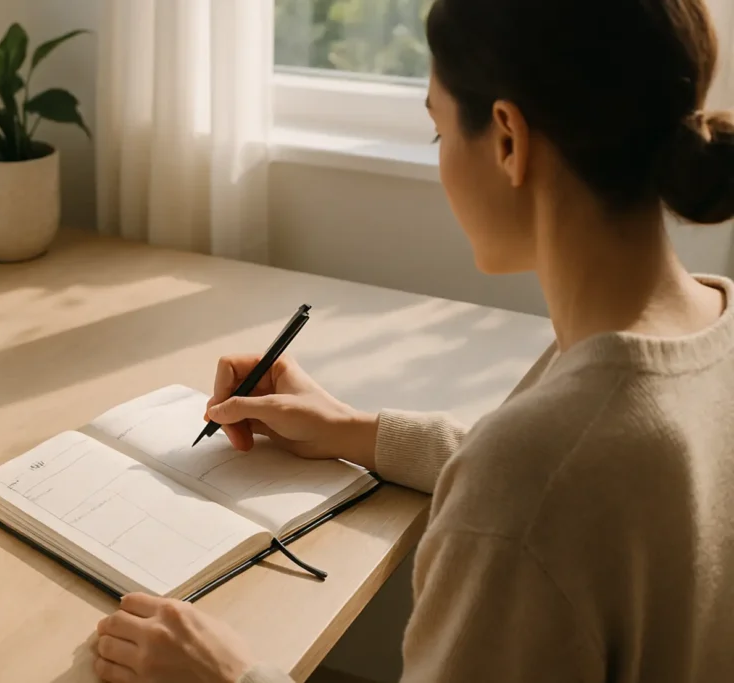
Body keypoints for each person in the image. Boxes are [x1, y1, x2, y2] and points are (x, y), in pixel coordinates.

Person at [92, 0, 734, 680]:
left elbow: (538, 489)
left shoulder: (532, 479)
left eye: (437, 131)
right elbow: (582, 485)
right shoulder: (706, 324)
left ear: (509, 140)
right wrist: (353, 429)